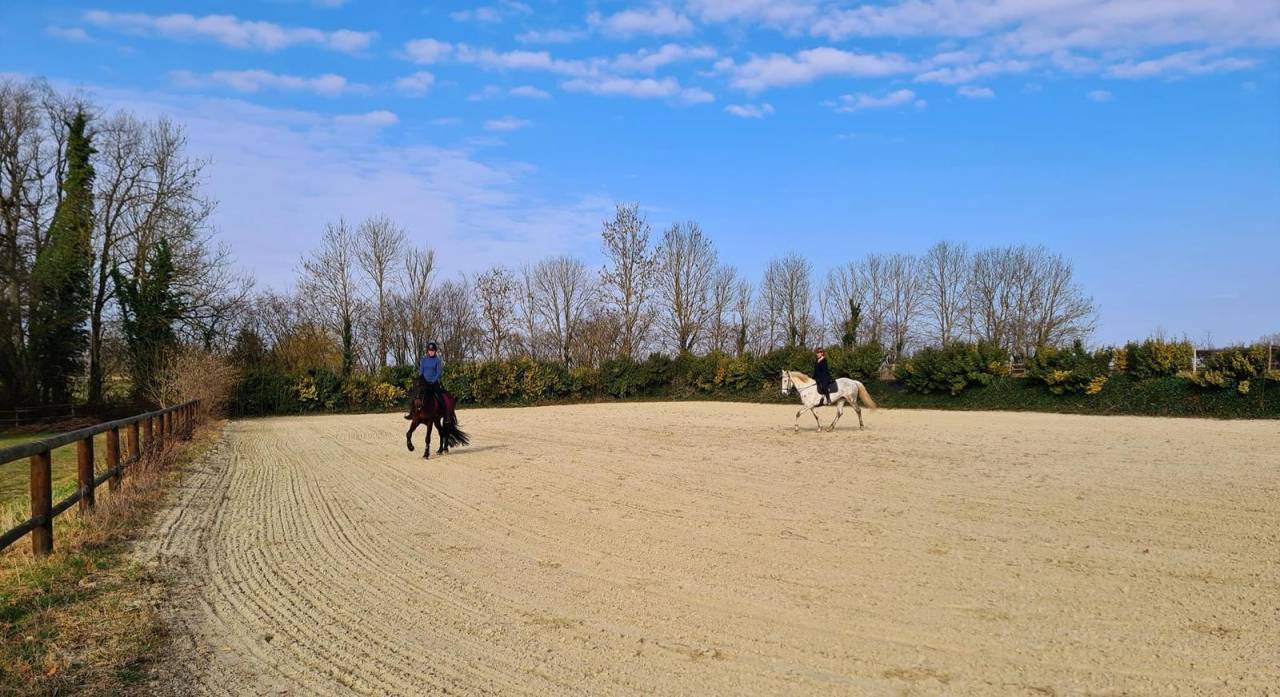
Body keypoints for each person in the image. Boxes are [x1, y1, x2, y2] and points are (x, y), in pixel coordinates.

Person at [405, 341, 444, 419]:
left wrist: (433, 380)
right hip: (424, 382)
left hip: (433, 382)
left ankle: (444, 413)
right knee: (414, 395)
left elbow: (438, 372)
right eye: (430, 350)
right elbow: (421, 371)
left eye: (432, 350)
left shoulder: (437, 361)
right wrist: (421, 380)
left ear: (435, 351)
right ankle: (411, 413)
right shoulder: (423, 360)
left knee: (440, 397)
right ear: (427, 351)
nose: (431, 352)